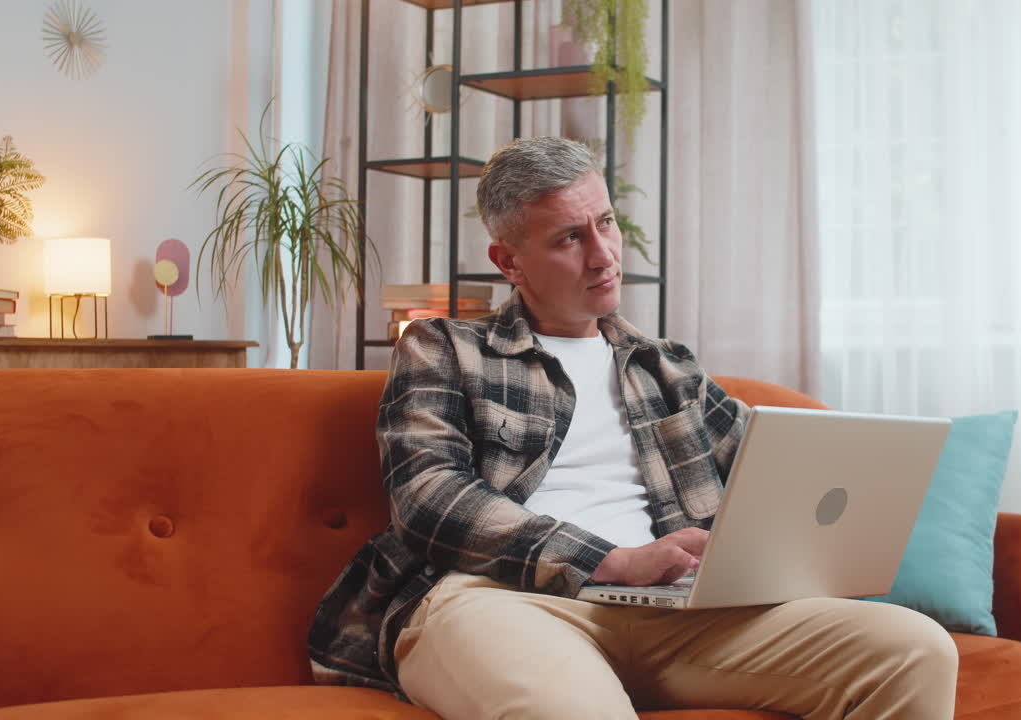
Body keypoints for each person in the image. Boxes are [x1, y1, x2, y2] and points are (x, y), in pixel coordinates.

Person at [309, 136, 958, 719]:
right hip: (502, 599)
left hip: (674, 610)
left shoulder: (667, 368)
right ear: (509, 262)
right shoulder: (444, 348)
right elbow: (429, 498)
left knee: (914, 649)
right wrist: (611, 560)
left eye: (607, 224)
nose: (603, 255)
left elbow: (776, 471)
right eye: (569, 238)